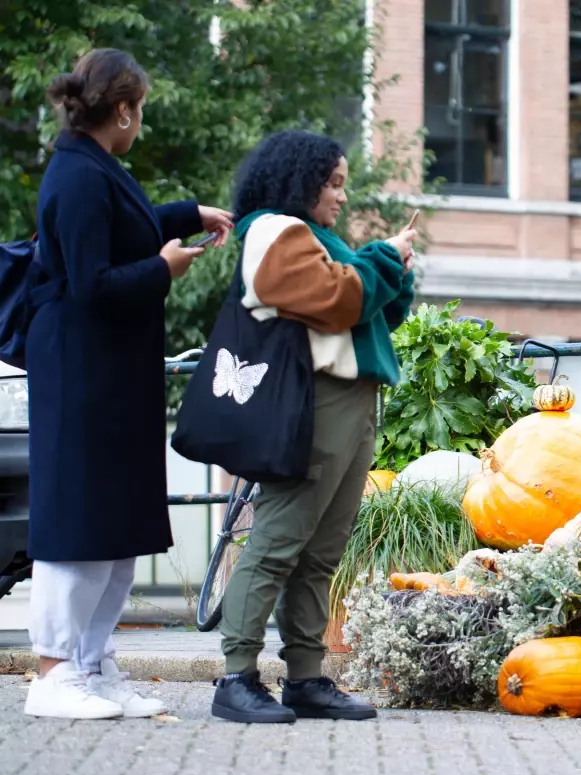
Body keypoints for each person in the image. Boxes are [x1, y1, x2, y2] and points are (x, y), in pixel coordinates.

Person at [25, 48, 233, 720]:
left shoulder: (93, 167)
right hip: (84, 373)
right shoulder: (78, 176)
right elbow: (90, 283)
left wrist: (185, 214)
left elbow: (126, 229)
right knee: (79, 522)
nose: (139, 121)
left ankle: (91, 664)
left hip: (109, 372)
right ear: (122, 110)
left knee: (114, 524)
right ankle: (54, 675)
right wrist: (164, 271)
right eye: (139, 110)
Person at [211, 131, 416, 724]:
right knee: (278, 539)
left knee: (321, 550)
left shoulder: (314, 237)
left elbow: (371, 311)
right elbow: (338, 299)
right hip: (316, 400)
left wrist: (392, 268)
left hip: (350, 398)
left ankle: (305, 677)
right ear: (300, 181)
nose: (340, 197)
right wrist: (381, 257)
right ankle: (236, 677)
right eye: (332, 184)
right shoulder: (273, 230)